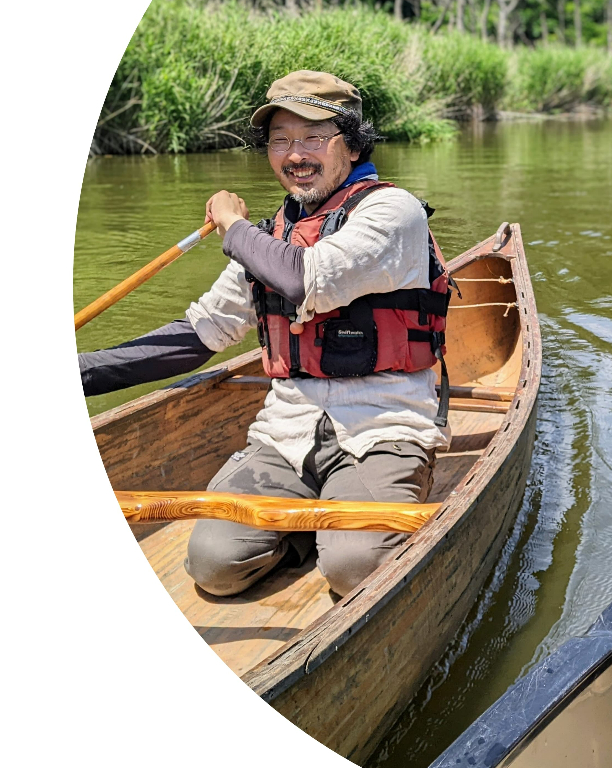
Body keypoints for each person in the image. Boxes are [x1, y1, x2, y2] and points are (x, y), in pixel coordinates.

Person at [80, 70, 452, 598]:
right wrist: (80, 373)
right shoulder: (275, 234)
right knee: (212, 564)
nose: (295, 154)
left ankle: (341, 529)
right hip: (288, 432)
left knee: (355, 568)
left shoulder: (393, 212)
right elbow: (199, 334)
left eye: (313, 137)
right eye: (280, 140)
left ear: (351, 143)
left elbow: (303, 279)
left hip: (383, 429)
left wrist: (233, 226)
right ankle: (307, 530)